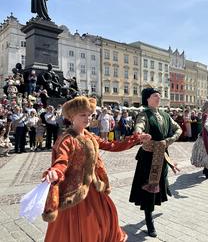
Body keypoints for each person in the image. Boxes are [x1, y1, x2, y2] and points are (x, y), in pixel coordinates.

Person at [42, 96, 151, 242]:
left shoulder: (90, 136)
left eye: (90, 115)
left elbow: (113, 145)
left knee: (107, 216)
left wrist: (136, 138)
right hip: (75, 191)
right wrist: (55, 171)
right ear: (72, 117)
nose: (87, 118)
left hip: (94, 186)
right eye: (83, 115)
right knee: (82, 225)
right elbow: (61, 160)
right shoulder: (66, 139)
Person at [129, 88, 182, 238]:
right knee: (149, 187)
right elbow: (139, 125)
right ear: (147, 99)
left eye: (159, 95)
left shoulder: (165, 115)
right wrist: (140, 134)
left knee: (159, 182)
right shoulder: (144, 114)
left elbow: (177, 129)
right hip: (148, 157)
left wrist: (169, 140)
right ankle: (148, 219)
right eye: (155, 95)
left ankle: (163, 191)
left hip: (162, 154)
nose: (158, 97)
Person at [190, 100, 208, 179]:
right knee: (206, 154)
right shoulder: (205, 115)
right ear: (206, 106)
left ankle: (206, 169)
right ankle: (206, 171)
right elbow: (205, 124)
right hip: (205, 137)